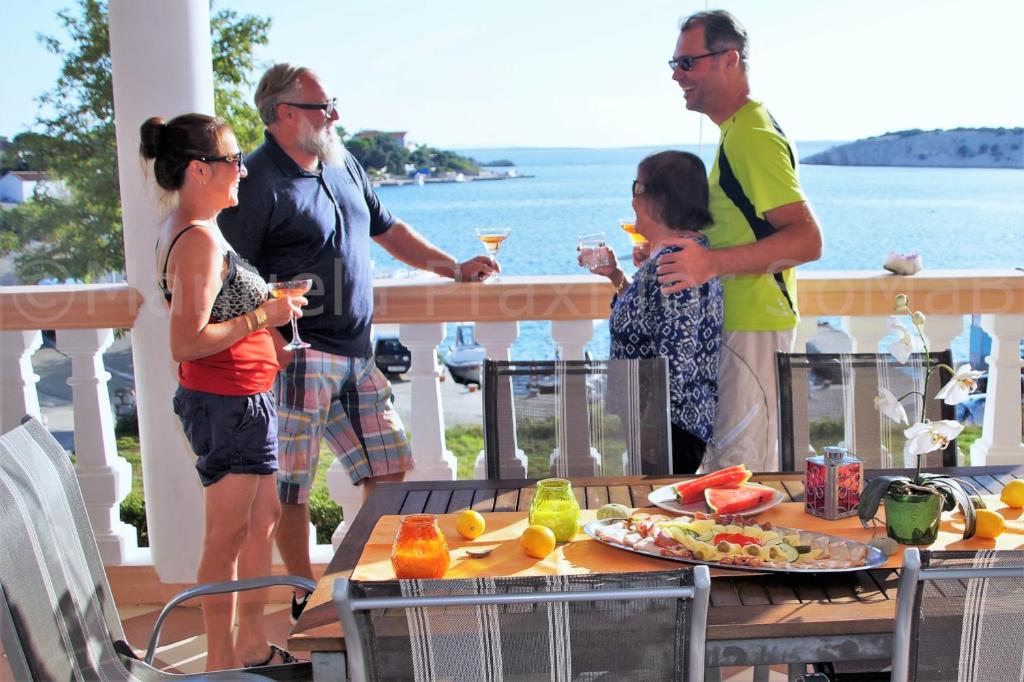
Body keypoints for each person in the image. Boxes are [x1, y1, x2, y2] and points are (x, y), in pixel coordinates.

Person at [218, 63, 497, 624]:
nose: (335, 115)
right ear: (283, 114)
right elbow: (229, 268)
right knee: (292, 488)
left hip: (356, 350)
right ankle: (304, 594)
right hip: (297, 354)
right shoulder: (255, 181)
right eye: (323, 106)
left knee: (389, 469)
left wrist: (452, 268)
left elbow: (387, 227)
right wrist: (264, 334)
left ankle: (355, 578)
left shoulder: (341, 162)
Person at [141, 114, 307, 670]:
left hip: (242, 398)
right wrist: (265, 316)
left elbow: (213, 314)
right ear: (197, 169)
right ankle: (220, 663)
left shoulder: (194, 228)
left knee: (258, 522)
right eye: (232, 159)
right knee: (226, 536)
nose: (242, 168)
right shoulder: (198, 242)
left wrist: (266, 333)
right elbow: (186, 342)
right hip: (228, 403)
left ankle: (252, 646)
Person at [654, 10, 823, 472]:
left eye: (687, 63)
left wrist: (709, 264)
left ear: (728, 59)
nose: (676, 75)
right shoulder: (738, 130)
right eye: (673, 63)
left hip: (753, 327)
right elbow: (749, 225)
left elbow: (807, 240)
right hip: (738, 325)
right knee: (727, 469)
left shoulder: (751, 135)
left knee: (740, 474)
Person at [588, 151, 723, 473]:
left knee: (660, 514)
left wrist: (651, 431)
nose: (633, 198)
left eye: (637, 188)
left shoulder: (676, 260)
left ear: (660, 199)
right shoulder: (676, 254)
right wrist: (617, 276)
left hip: (667, 431)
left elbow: (676, 355)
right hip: (659, 425)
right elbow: (651, 320)